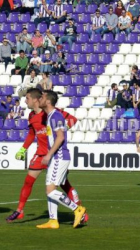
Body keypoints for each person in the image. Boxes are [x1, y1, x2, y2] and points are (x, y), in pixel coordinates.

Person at [6, 88, 88, 225]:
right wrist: (23, 149)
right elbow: (32, 134)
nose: (25, 101)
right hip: (42, 154)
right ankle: (23, 211)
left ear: (36, 99)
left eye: (27, 98)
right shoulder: (33, 116)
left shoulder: (54, 114)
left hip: (55, 154)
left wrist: (61, 130)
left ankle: (79, 210)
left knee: (62, 185)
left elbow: (71, 121)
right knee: (32, 182)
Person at [36, 90, 87, 229]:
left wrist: (48, 155)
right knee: (50, 189)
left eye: (42, 97)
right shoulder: (51, 116)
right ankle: (53, 220)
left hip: (58, 156)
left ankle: (77, 209)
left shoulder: (55, 116)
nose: (39, 99)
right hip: (56, 157)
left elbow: (60, 137)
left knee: (51, 191)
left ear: (47, 101)